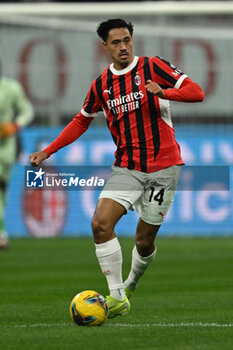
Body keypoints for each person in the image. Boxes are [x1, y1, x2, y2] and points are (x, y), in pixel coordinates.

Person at [29, 18, 204, 318]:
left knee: (143, 240)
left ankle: (131, 282)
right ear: (105, 46)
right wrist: (48, 150)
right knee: (100, 224)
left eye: (127, 40)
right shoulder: (101, 85)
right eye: (116, 42)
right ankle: (117, 297)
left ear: (132, 41)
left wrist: (164, 92)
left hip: (164, 168)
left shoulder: (153, 67)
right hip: (127, 168)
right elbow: (81, 120)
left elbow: (196, 92)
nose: (123, 47)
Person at [0, 61, 34, 249]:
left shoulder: (11, 88)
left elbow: (27, 111)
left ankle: (2, 231)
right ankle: (2, 234)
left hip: (5, 147)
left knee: (2, 190)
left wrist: (14, 125)